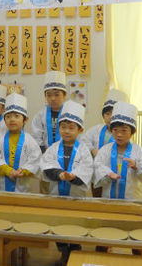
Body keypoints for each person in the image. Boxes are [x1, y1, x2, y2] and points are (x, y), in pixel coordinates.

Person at [41, 100, 93, 266]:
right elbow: (46, 165)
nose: (67, 131)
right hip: (57, 192)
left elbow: (87, 169)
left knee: (75, 222)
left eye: (71, 128)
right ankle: (63, 251)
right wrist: (60, 175)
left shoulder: (84, 150)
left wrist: (73, 177)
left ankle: (75, 251)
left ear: (80, 130)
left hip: (76, 194)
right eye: (63, 127)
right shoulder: (53, 148)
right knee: (59, 223)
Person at [93, 101, 142, 200]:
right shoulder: (105, 150)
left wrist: (136, 165)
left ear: (132, 132)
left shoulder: (138, 151)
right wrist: (108, 173)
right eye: (115, 130)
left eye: (124, 130)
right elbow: (97, 165)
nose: (119, 134)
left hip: (132, 200)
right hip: (108, 200)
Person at [0, 93, 40, 193]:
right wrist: (8, 171)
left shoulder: (30, 141)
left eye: (16, 116)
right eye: (8, 116)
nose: (12, 119)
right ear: (4, 120)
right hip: (2, 186)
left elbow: (35, 160)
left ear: (25, 120)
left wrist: (22, 171)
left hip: (23, 185)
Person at [81, 89, 127, 197]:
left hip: (115, 172)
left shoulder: (123, 134)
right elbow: (84, 140)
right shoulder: (96, 130)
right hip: (97, 172)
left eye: (114, 113)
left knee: (113, 196)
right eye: (107, 113)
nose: (110, 117)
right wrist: (92, 150)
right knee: (97, 198)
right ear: (103, 116)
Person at [32, 71, 67, 193]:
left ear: (64, 95)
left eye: (56, 94)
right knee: (46, 189)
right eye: (48, 95)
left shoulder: (70, 114)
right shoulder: (40, 115)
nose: (52, 98)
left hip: (66, 156)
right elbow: (37, 136)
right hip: (45, 156)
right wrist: (46, 155)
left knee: (64, 187)